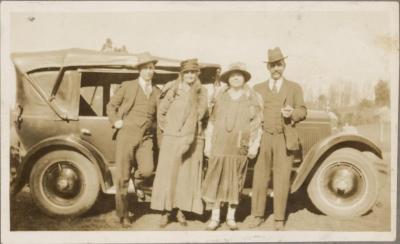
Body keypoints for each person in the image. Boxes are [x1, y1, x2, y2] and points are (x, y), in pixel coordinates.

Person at [248, 47, 307, 230]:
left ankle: (279, 218)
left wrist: (293, 113)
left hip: (284, 137)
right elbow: (250, 112)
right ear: (268, 68)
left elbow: (303, 111)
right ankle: (257, 215)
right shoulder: (257, 89)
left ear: (284, 66)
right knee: (260, 177)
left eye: (279, 65)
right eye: (272, 65)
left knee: (282, 178)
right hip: (263, 137)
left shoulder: (294, 87)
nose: (276, 69)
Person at [201, 62, 263, 231]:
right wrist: (208, 144)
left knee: (235, 182)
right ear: (228, 78)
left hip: (239, 147)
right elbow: (212, 122)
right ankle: (214, 217)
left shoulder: (252, 99)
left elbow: (257, 124)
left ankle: (230, 217)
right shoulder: (220, 97)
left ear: (244, 78)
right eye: (233, 75)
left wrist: (253, 146)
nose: (236, 78)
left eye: (239, 75)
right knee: (217, 180)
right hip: (220, 145)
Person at [151, 59, 208, 228]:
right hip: (172, 138)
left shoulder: (201, 91)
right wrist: (170, 130)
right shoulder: (173, 89)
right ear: (182, 74)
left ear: (197, 74)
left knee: (185, 176)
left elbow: (202, 113)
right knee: (168, 174)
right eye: (187, 72)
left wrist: (189, 130)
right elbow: (161, 112)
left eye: (193, 72)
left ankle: (181, 210)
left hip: (192, 139)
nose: (190, 75)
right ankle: (166, 211)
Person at [106, 52, 160, 226]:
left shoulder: (157, 91)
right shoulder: (128, 86)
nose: (149, 71)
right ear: (139, 70)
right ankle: (123, 214)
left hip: (147, 137)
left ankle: (137, 183)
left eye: (151, 68)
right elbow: (111, 105)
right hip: (127, 134)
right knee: (122, 175)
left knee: (147, 169)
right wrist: (116, 122)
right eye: (145, 68)